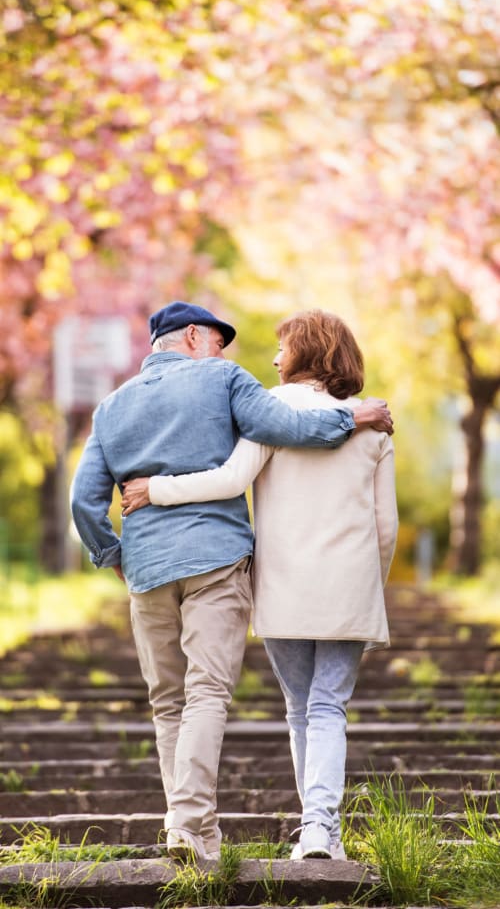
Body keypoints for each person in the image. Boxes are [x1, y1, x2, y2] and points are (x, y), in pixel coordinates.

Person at [71, 300, 393, 864]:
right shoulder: (227, 381)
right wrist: (356, 417)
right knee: (224, 697)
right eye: (220, 339)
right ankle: (227, 829)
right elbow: (296, 439)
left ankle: (184, 828)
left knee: (171, 702)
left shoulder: (111, 407)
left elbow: (86, 501)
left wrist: (113, 553)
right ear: (193, 336)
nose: (234, 353)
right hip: (225, 564)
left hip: (155, 570)